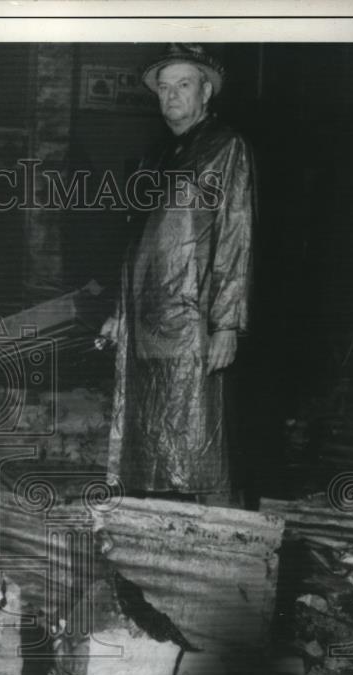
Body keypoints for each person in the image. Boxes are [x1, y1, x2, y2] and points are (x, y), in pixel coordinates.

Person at [102, 44, 255, 505]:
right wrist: (118, 313)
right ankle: (158, 546)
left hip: (194, 323)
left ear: (206, 91)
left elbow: (236, 234)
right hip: (148, 323)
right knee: (151, 436)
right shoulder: (159, 156)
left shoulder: (225, 148)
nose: (171, 97)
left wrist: (227, 322)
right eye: (164, 89)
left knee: (203, 441)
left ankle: (224, 556)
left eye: (183, 86)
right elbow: (138, 244)